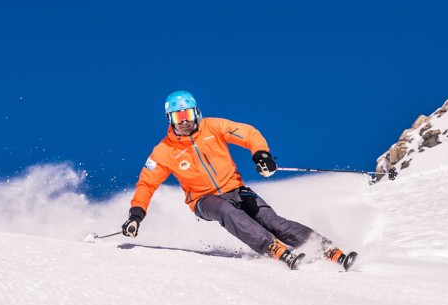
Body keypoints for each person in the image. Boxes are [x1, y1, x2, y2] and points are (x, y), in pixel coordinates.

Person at [121, 91, 355, 270]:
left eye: (188, 113)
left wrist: (261, 154)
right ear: (169, 119)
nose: (184, 121)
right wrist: (136, 215)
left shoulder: (214, 127)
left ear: (197, 112)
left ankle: (327, 249)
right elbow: (147, 183)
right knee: (225, 210)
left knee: (273, 221)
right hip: (205, 200)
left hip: (236, 189)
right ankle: (272, 248)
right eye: (178, 116)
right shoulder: (164, 151)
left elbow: (249, 133)